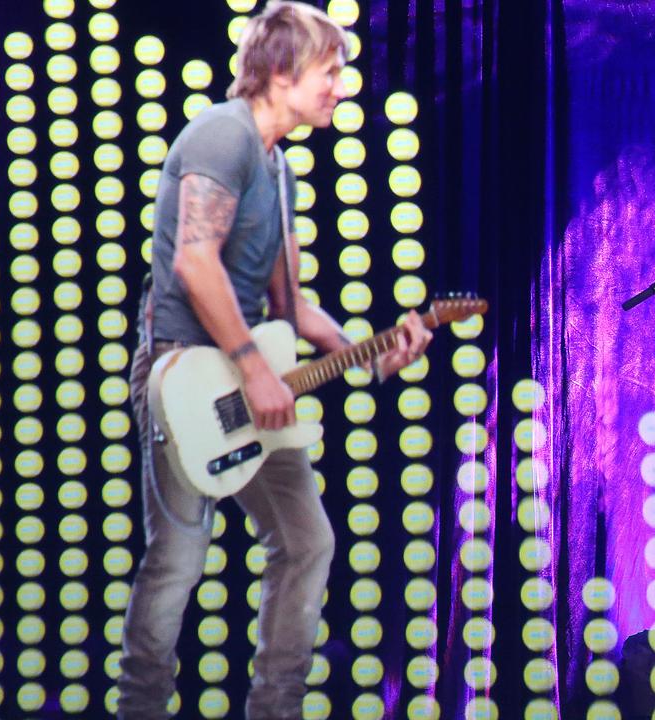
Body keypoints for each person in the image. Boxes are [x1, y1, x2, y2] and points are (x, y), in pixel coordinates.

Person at [117, 3, 432, 717]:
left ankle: (276, 708)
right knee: (178, 560)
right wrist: (258, 370)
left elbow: (288, 306)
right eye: (331, 71)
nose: (340, 87)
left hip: (247, 372)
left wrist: (368, 350)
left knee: (306, 540)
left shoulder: (278, 164)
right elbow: (197, 266)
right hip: (188, 374)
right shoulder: (221, 136)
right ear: (282, 70)